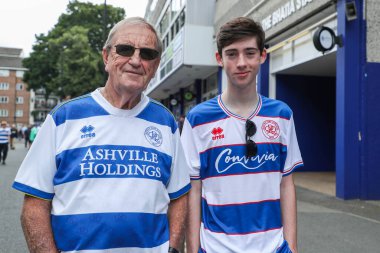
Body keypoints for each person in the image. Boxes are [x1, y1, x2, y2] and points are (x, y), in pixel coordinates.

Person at [13, 17, 190, 253]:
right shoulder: (64, 118)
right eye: (125, 49)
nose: (136, 61)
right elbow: (34, 205)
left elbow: (179, 197)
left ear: (156, 65)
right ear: (106, 57)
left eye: (147, 54)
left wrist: (174, 249)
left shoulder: (166, 122)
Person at [181, 17, 303, 253]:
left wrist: (292, 247)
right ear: (219, 59)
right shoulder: (198, 119)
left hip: (273, 247)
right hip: (216, 247)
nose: (241, 62)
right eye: (232, 54)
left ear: (262, 56)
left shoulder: (282, 115)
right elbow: (193, 191)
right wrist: (192, 250)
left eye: (249, 53)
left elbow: (286, 184)